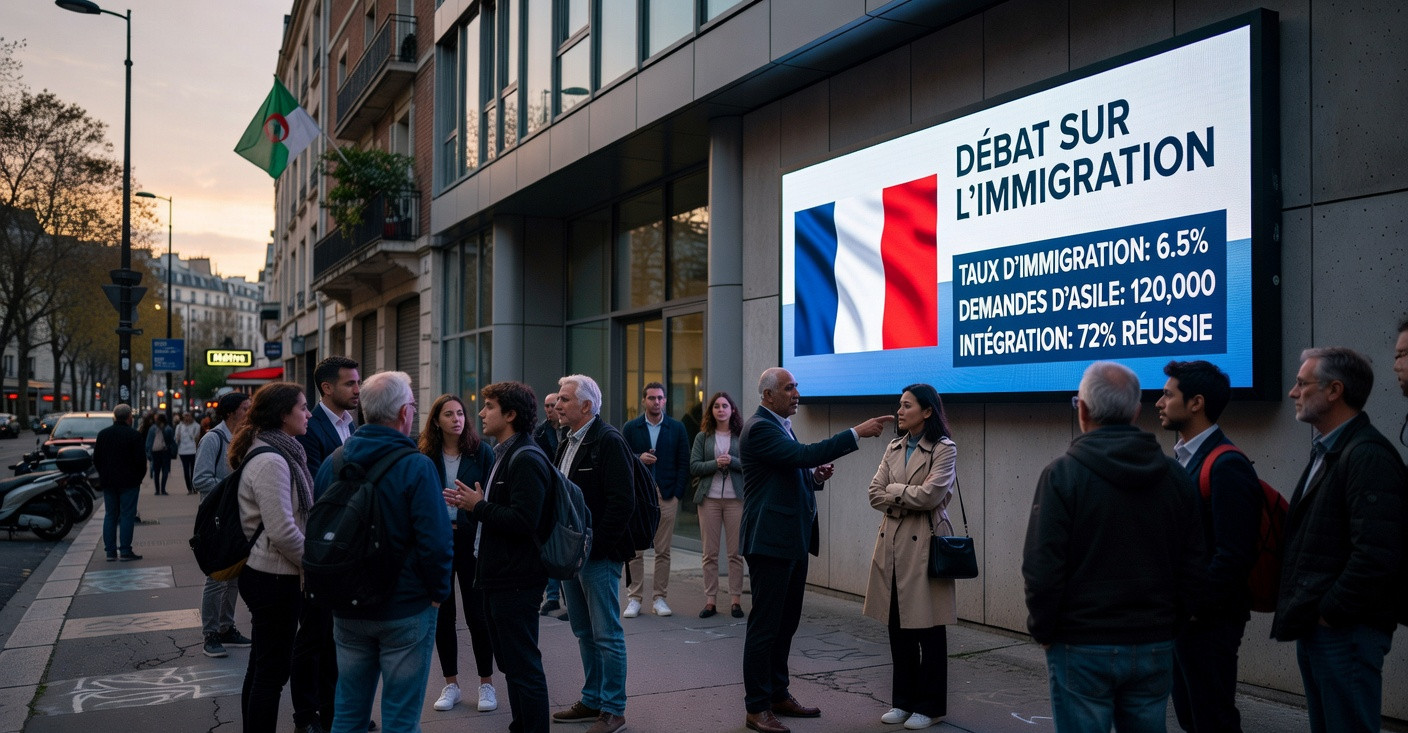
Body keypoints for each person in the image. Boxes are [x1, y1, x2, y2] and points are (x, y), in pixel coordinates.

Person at [1022, 361, 1205, 733]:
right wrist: (1171, 625)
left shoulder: (1062, 475)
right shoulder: (1176, 477)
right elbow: (1194, 565)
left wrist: (1044, 631)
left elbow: (1042, 567)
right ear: (1136, 412)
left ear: (1083, 410)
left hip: (1080, 645)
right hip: (1154, 642)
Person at [739, 367, 892, 733]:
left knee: (785, 624)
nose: (796, 393)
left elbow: (790, 467)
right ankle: (757, 708)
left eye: (796, 386)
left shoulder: (779, 424)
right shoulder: (760, 427)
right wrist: (856, 433)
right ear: (768, 396)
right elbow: (803, 454)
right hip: (769, 543)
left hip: (790, 541)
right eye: (788, 388)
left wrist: (812, 478)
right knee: (765, 628)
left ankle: (778, 694)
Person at [1272, 347, 1406, 733]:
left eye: (1301, 383)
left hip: (1344, 633)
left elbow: (1377, 554)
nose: (1293, 393)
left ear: (1334, 390)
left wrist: (1330, 612)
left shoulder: (1367, 456)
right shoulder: (1331, 450)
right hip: (1327, 631)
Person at [314, 371, 451, 733]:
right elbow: (435, 543)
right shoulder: (416, 467)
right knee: (401, 719)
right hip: (404, 607)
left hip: (347, 605)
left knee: (347, 712)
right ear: (404, 413)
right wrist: (437, 595)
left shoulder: (334, 462)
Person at [1156, 360, 1262, 733]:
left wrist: (1194, 609)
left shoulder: (1226, 465)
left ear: (1196, 402)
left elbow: (1234, 555)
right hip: (1188, 621)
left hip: (1208, 623)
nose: (1158, 402)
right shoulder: (1188, 459)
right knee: (1192, 717)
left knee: (1212, 720)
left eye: (1168, 394)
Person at [445, 381, 553, 733]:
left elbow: (524, 521)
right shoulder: (506, 452)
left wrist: (480, 507)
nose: (480, 412)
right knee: (511, 662)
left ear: (510, 414)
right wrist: (479, 505)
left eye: (489, 406)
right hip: (498, 575)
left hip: (516, 579)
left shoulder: (526, 456)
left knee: (523, 664)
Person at [863, 384, 957, 731]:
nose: (899, 412)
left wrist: (895, 493)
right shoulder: (893, 446)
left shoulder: (944, 449)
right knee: (897, 626)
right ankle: (903, 701)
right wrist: (903, 495)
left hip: (926, 544)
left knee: (929, 629)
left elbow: (932, 496)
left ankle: (930, 706)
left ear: (927, 411)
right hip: (891, 544)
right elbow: (873, 493)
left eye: (906, 406)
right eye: (899, 405)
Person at [551, 374, 634, 733]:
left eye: (565, 400)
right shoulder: (566, 441)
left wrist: (594, 548)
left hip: (597, 556)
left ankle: (613, 709)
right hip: (573, 556)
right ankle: (592, 699)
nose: (557, 405)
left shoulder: (608, 440)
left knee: (607, 634)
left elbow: (622, 502)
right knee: (584, 632)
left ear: (586, 406)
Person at [231, 382, 314, 733]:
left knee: (262, 664)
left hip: (268, 575)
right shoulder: (272, 461)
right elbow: (283, 531)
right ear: (283, 415)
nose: (308, 413)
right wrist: (313, 564)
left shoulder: (276, 451)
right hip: (274, 577)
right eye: (303, 407)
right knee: (272, 672)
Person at [292, 355, 362, 733]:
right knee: (314, 637)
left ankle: (339, 714)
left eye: (358, 382)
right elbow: (323, 490)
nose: (357, 389)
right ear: (327, 388)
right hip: (322, 549)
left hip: (348, 550)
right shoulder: (312, 428)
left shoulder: (352, 424)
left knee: (340, 640)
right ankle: (306, 715)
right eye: (350, 383)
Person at [419, 393, 498, 714]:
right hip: (438, 542)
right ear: (436, 420)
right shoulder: (424, 455)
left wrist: (475, 503)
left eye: (460, 413)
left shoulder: (482, 453)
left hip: (471, 541)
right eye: (449, 414)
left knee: (478, 614)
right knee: (443, 614)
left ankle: (487, 684)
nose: (457, 419)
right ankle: (450, 683)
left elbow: (492, 498)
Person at [620, 382, 690, 618]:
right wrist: (639, 457)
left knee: (663, 551)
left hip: (667, 495)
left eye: (660, 398)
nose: (656, 402)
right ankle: (634, 598)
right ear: (643, 401)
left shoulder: (677, 428)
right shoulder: (631, 427)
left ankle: (660, 598)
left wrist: (678, 492)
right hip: (639, 496)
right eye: (651, 398)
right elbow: (621, 457)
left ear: (665, 401)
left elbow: (684, 462)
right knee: (636, 550)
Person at [193, 392, 255, 658]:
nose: (249, 413)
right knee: (217, 577)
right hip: (217, 520)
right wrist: (232, 488)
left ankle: (227, 627)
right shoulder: (213, 439)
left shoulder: (245, 438)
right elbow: (200, 479)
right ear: (230, 413)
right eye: (245, 408)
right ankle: (211, 633)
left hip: (238, 516)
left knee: (234, 576)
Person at [689, 390, 746, 619]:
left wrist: (731, 462)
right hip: (709, 499)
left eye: (725, 406)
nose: (721, 409)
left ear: (732, 410)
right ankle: (710, 601)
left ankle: (735, 601)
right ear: (711, 411)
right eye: (716, 406)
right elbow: (694, 466)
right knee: (709, 553)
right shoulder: (703, 437)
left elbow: (750, 465)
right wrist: (715, 463)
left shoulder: (741, 436)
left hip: (736, 499)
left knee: (735, 554)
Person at [93, 403, 146, 562]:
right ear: (130, 418)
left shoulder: (103, 434)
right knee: (127, 515)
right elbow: (141, 462)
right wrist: (138, 478)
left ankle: (110, 551)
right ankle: (125, 550)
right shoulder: (134, 436)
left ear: (114, 417)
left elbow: (97, 459)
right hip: (129, 482)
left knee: (110, 515)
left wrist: (104, 474)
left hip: (109, 481)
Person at [534, 391, 566, 618]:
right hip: (548, 494)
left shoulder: (569, 429)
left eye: (553, 404)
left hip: (567, 495)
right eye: (546, 405)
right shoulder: (541, 432)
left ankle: (569, 601)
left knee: (568, 546)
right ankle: (552, 597)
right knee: (550, 547)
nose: (549, 409)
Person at [146, 412, 175, 495]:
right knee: (165, 470)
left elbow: (149, 441)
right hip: (165, 451)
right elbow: (171, 441)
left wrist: (148, 451)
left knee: (156, 471)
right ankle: (163, 489)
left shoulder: (152, 428)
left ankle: (157, 490)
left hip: (155, 451)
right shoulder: (168, 428)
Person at [175, 411, 201, 494]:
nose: (186, 418)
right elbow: (176, 438)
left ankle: (194, 487)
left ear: (192, 417)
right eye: (185, 416)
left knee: (193, 470)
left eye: (188, 416)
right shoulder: (179, 426)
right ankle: (189, 488)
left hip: (193, 450)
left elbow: (197, 438)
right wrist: (177, 438)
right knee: (186, 470)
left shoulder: (196, 426)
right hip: (183, 451)